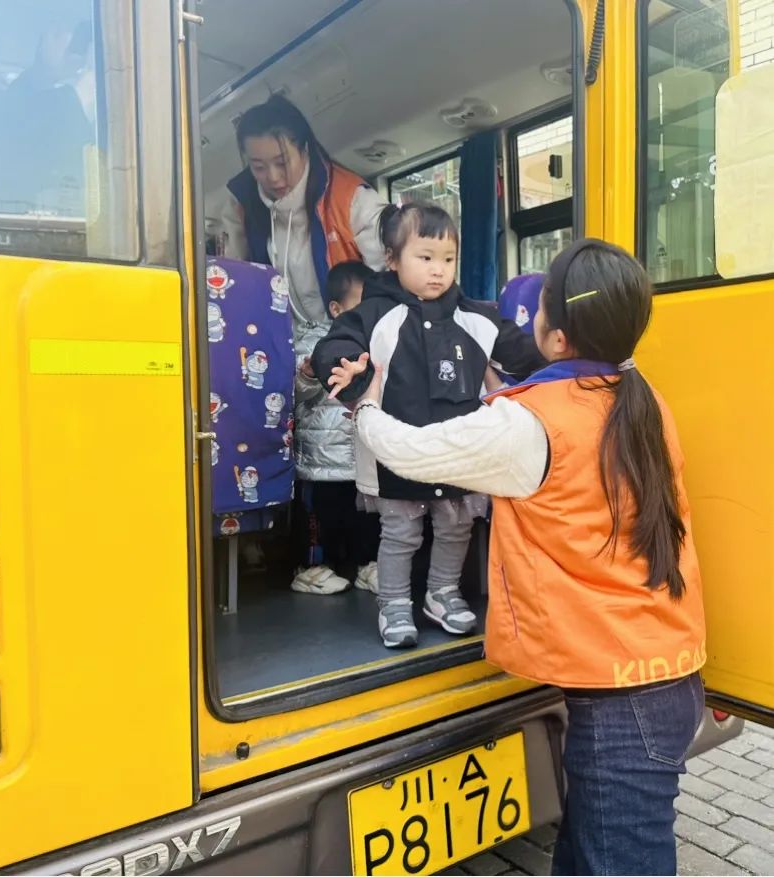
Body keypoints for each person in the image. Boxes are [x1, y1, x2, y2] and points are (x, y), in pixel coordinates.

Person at [349, 238, 706, 875]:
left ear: (558, 336)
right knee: (589, 852)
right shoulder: (640, 393)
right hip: (661, 670)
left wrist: (366, 402)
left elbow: (408, 450)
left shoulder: (527, 425)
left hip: (621, 697)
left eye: (539, 304)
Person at [313, 202, 545, 648]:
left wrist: (562, 356)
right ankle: (395, 603)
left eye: (448, 259)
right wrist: (346, 371)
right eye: (425, 258)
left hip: (461, 454)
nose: (438, 271)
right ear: (393, 259)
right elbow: (339, 343)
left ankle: (442, 593)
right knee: (400, 532)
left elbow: (520, 351)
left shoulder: (475, 315)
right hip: (399, 454)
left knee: (456, 525)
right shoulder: (376, 314)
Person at [221, 93, 386, 331]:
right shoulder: (241, 207)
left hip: (352, 344)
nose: (273, 177)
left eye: (282, 162)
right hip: (283, 348)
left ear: (304, 149)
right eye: (258, 167)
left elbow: (389, 285)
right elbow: (234, 283)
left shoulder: (352, 199)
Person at [291, 261, 380, 595]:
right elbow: (295, 394)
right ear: (336, 308)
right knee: (320, 518)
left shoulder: (375, 342)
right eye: (361, 305)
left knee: (364, 517)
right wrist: (309, 374)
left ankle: (366, 565)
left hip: (361, 454)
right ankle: (311, 567)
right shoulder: (312, 340)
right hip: (321, 460)